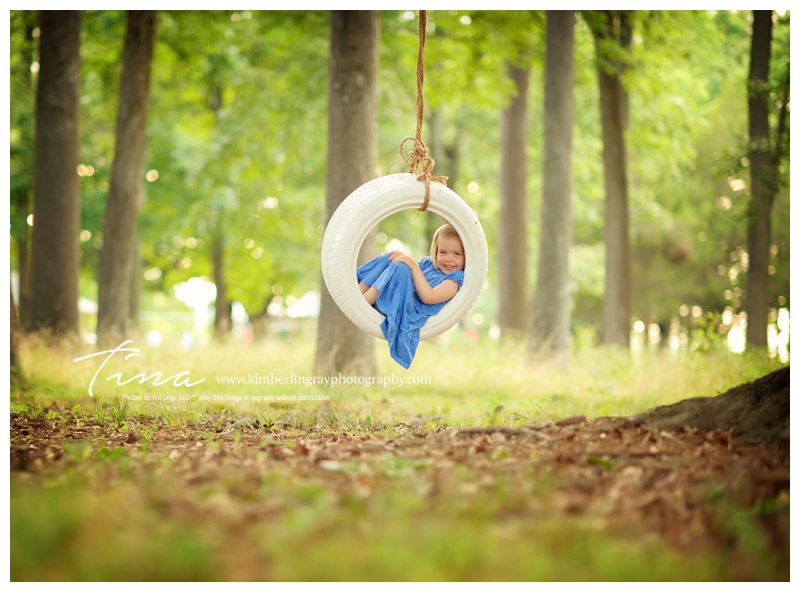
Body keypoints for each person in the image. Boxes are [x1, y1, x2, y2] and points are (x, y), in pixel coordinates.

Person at [356, 223, 465, 368]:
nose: (448, 259)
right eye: (443, 252)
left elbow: (429, 297)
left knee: (400, 267)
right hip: (396, 296)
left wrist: (412, 265)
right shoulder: (429, 265)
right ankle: (356, 290)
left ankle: (362, 302)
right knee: (392, 256)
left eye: (456, 254)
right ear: (435, 251)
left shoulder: (453, 281)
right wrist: (406, 262)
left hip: (407, 310)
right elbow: (408, 277)